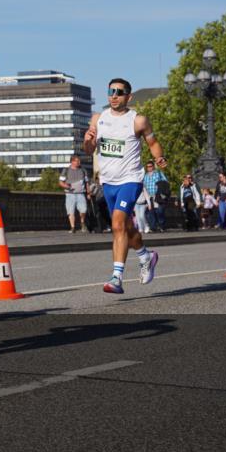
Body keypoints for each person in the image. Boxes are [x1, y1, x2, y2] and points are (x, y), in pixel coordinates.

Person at [83, 78, 165, 294]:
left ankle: (116, 277)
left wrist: (159, 158)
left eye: (119, 92)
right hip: (108, 182)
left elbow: (153, 143)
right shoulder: (98, 119)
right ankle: (146, 256)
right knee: (126, 227)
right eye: (111, 91)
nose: (114, 95)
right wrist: (88, 139)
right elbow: (88, 150)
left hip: (131, 179)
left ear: (128, 96)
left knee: (118, 225)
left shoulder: (138, 120)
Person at [59, 154, 89, 233]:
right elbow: (60, 182)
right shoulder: (66, 170)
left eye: (79, 160)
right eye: (77, 161)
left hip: (81, 193)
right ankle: (73, 227)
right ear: (72, 161)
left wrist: (88, 193)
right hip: (70, 194)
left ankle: (82, 222)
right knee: (71, 211)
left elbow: (87, 183)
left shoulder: (83, 170)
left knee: (84, 210)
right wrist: (67, 187)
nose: (79, 162)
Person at [143, 161, 169, 232]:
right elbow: (144, 186)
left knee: (160, 211)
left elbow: (165, 182)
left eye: (150, 166)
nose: (149, 168)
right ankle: (153, 227)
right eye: (148, 166)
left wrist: (163, 192)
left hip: (158, 196)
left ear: (153, 166)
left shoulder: (158, 173)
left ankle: (162, 226)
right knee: (151, 212)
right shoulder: (145, 176)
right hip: (150, 196)